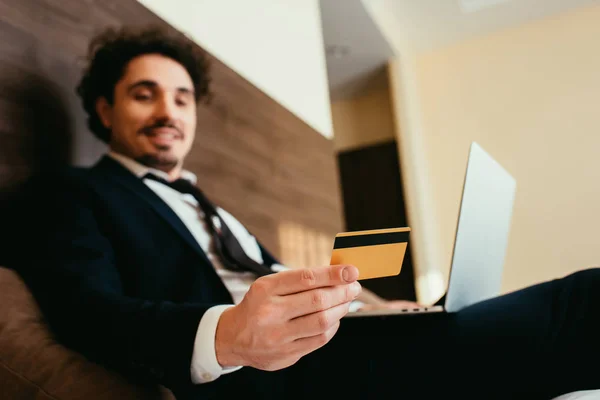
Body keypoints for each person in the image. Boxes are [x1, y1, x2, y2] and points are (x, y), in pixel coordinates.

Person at [18, 25, 600, 400]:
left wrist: (373, 309)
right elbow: (89, 312)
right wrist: (228, 337)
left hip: (335, 346)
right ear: (104, 107)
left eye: (182, 97)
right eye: (144, 94)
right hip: (253, 376)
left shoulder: (217, 213)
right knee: (583, 303)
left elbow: (271, 281)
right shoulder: (72, 195)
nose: (168, 111)